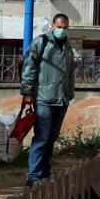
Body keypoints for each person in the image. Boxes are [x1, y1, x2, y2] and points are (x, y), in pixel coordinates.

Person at [22, 13, 76, 187]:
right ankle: (33, 176)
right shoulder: (41, 42)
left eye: (64, 27)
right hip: (44, 98)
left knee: (52, 138)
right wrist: (27, 92)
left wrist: (69, 94)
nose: (61, 30)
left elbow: (69, 72)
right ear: (53, 25)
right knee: (42, 138)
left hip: (61, 100)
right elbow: (29, 67)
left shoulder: (67, 46)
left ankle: (45, 172)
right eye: (59, 26)